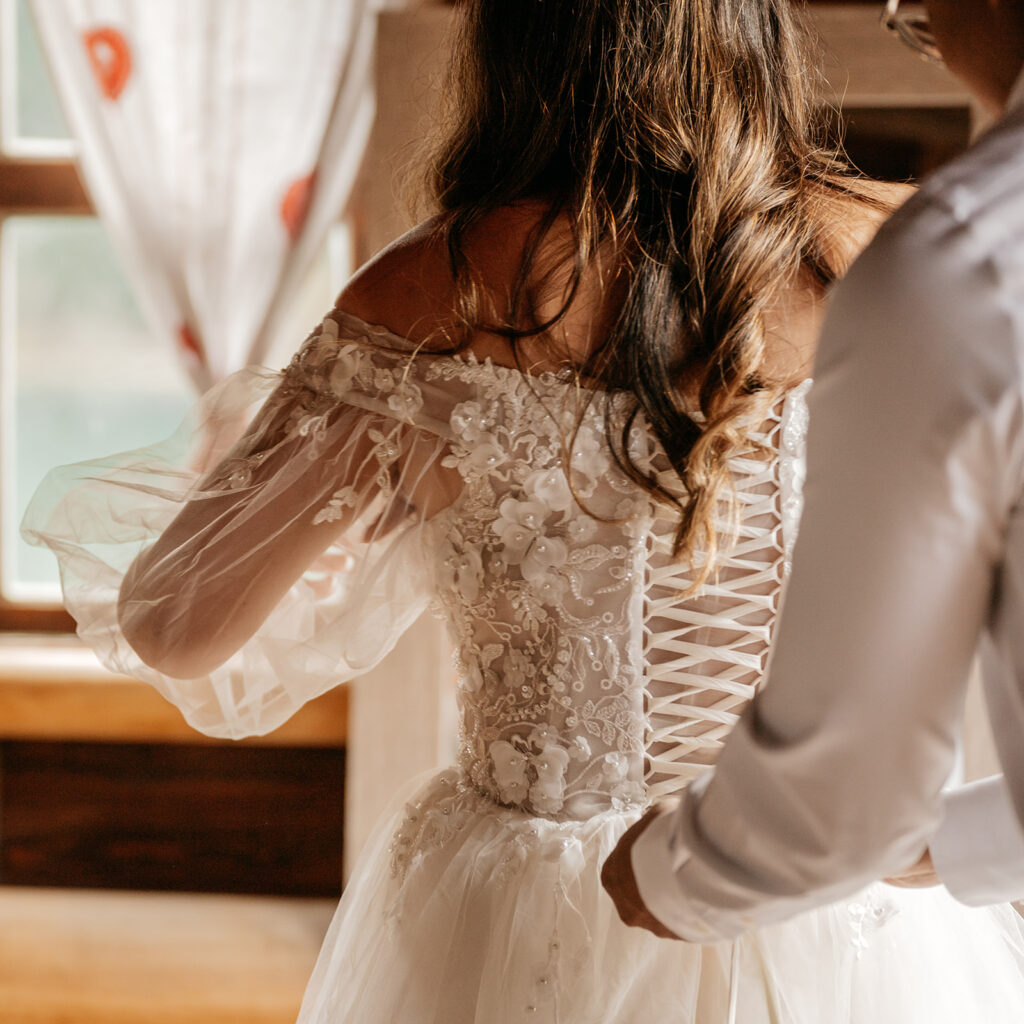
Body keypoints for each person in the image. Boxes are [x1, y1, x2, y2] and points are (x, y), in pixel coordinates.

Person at [21, 1, 1024, 1021]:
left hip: (531, 917)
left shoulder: (435, 288)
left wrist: (363, 514)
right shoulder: (899, 248)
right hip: (843, 909)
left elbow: (175, 625)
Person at [603, 0, 1024, 943]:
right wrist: (962, 840)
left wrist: (665, 880)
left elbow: (846, 800)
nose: (916, 24)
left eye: (915, 15)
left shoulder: (967, 259)